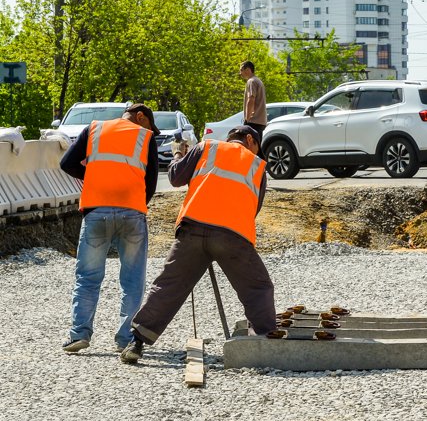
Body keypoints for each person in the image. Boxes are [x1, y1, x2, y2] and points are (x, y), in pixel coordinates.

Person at [120, 125, 276, 364]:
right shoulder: (257, 165)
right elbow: (253, 209)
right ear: (249, 140)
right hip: (233, 236)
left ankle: (137, 341)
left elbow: (174, 177)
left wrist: (178, 154)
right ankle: (265, 344)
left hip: (192, 230)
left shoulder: (207, 148)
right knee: (258, 288)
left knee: (168, 286)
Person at [60, 103, 160, 353]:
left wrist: (95, 175)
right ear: (140, 117)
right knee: (132, 279)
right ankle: (126, 339)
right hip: (132, 213)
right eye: (150, 124)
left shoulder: (94, 129)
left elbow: (67, 163)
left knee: (88, 277)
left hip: (96, 212)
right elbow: (151, 182)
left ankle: (79, 335)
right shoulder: (145, 138)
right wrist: (136, 204)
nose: (151, 130)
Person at [239, 60, 267, 138]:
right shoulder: (258, 81)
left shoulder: (251, 81)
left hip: (253, 121)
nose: (240, 73)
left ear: (248, 69)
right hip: (260, 121)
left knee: (250, 147)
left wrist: (247, 119)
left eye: (241, 70)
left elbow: (251, 99)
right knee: (257, 147)